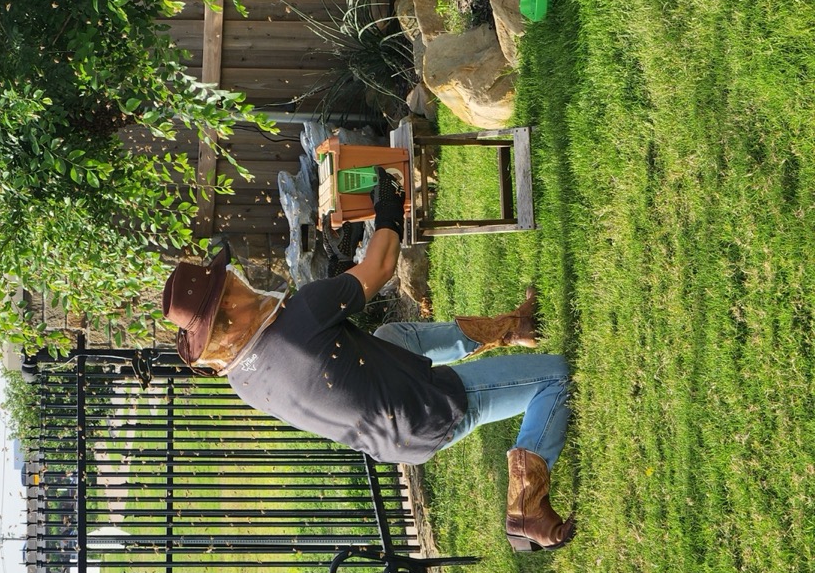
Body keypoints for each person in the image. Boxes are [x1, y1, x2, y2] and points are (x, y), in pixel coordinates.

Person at [162, 169, 576, 552]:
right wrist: (390, 208)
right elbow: (379, 266)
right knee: (557, 378)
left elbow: (323, 360)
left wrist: (338, 269)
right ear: (228, 310)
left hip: (394, 441)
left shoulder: (243, 381)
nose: (239, 278)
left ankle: (513, 326)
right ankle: (526, 510)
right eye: (228, 284)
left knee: (390, 337)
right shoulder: (303, 317)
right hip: (429, 410)